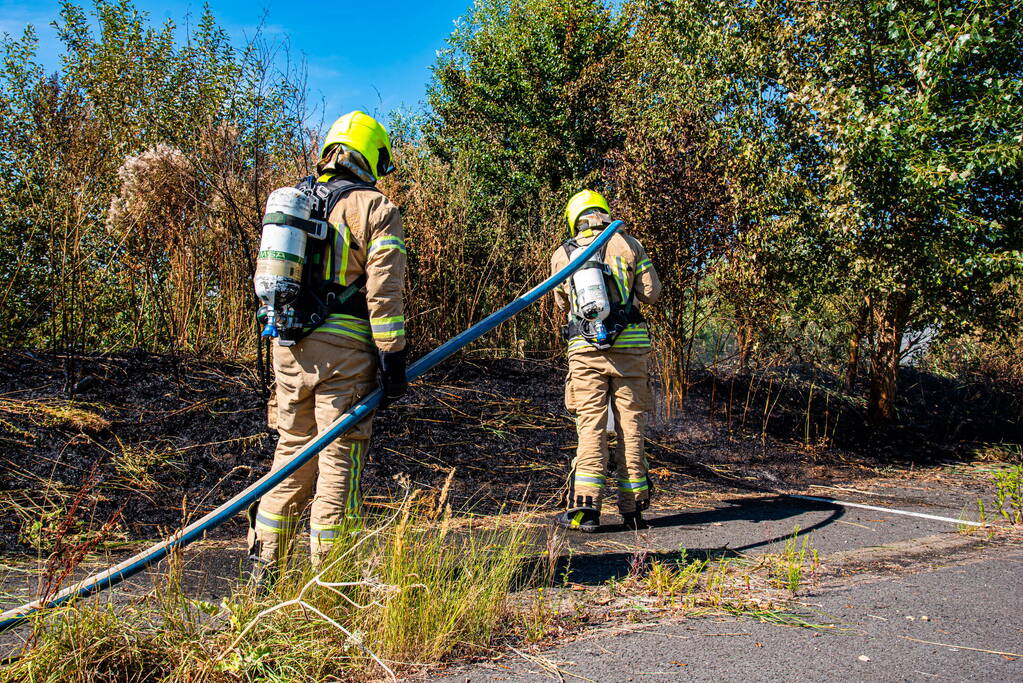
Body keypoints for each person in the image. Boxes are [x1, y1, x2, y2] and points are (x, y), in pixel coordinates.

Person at [248, 111, 408, 581]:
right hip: (344, 350)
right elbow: (384, 292)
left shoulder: (297, 202)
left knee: (292, 453)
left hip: (289, 344)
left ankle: (264, 565)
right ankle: (332, 578)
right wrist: (392, 356)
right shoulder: (376, 209)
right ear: (373, 156)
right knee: (340, 458)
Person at [551, 190, 661, 532]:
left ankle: (585, 510)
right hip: (630, 351)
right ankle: (633, 509)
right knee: (631, 427)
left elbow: (559, 304)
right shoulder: (629, 244)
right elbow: (651, 293)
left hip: (585, 353)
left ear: (574, 217)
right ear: (604, 212)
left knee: (591, 429)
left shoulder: (562, 253)